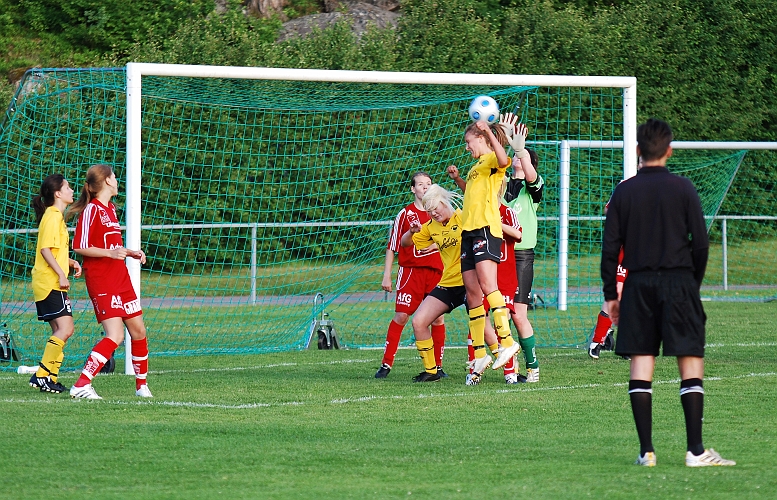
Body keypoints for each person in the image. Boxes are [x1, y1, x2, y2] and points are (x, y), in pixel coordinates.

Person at [602, 118, 735, 468]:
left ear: (638, 151)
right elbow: (701, 243)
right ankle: (695, 451)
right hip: (678, 282)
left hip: (638, 284)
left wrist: (610, 295)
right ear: (669, 150)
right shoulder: (684, 188)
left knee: (641, 363)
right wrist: (693, 283)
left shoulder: (624, 191)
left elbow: (609, 246)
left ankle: (646, 452)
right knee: (690, 361)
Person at [67, 164, 152, 400]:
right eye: (113, 177)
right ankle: (81, 384)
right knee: (115, 335)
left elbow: (111, 247)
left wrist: (130, 252)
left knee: (139, 330)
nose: (116, 180)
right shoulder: (91, 210)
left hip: (120, 277)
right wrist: (110, 254)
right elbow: (80, 246)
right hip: (102, 280)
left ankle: (141, 386)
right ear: (106, 181)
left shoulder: (111, 208)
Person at [449, 117, 520, 376]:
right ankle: (479, 354)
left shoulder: (491, 159)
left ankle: (507, 342)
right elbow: (472, 193)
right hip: (468, 232)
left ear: (480, 138)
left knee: (489, 286)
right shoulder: (477, 166)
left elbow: (504, 161)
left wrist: (487, 130)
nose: (467, 147)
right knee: (472, 294)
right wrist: (458, 180)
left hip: (486, 229)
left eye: (469, 142)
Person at [376, 172, 446, 378]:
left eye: (428, 184)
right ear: (412, 189)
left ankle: (437, 366)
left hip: (435, 272)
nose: (425, 187)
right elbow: (393, 246)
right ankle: (386, 363)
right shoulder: (405, 214)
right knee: (402, 316)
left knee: (438, 319)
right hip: (410, 273)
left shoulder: (440, 212)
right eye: (420, 184)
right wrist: (386, 275)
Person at [400, 184, 467, 382]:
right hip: (448, 282)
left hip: (471, 281)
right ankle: (432, 371)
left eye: (435, 208)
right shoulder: (430, 226)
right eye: (428, 211)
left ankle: (508, 369)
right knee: (418, 322)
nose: (433, 213)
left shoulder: (464, 217)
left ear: (444, 202)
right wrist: (411, 232)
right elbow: (405, 244)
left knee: (484, 326)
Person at [28, 174, 82, 394]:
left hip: (48, 281)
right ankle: (41, 375)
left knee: (61, 330)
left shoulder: (55, 217)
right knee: (66, 329)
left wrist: (69, 262)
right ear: (58, 193)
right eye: (67, 187)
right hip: (50, 282)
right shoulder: (52, 216)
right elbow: (45, 250)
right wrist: (61, 274)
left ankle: (49, 378)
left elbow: (52, 250)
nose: (71, 190)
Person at [502, 119, 543, 382]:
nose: (518, 158)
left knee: (518, 314)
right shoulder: (502, 184)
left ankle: (532, 366)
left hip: (521, 256)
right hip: (499, 252)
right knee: (499, 311)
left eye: (524, 156)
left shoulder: (533, 188)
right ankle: (511, 369)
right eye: (517, 154)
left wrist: (520, 150)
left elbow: (529, 174)